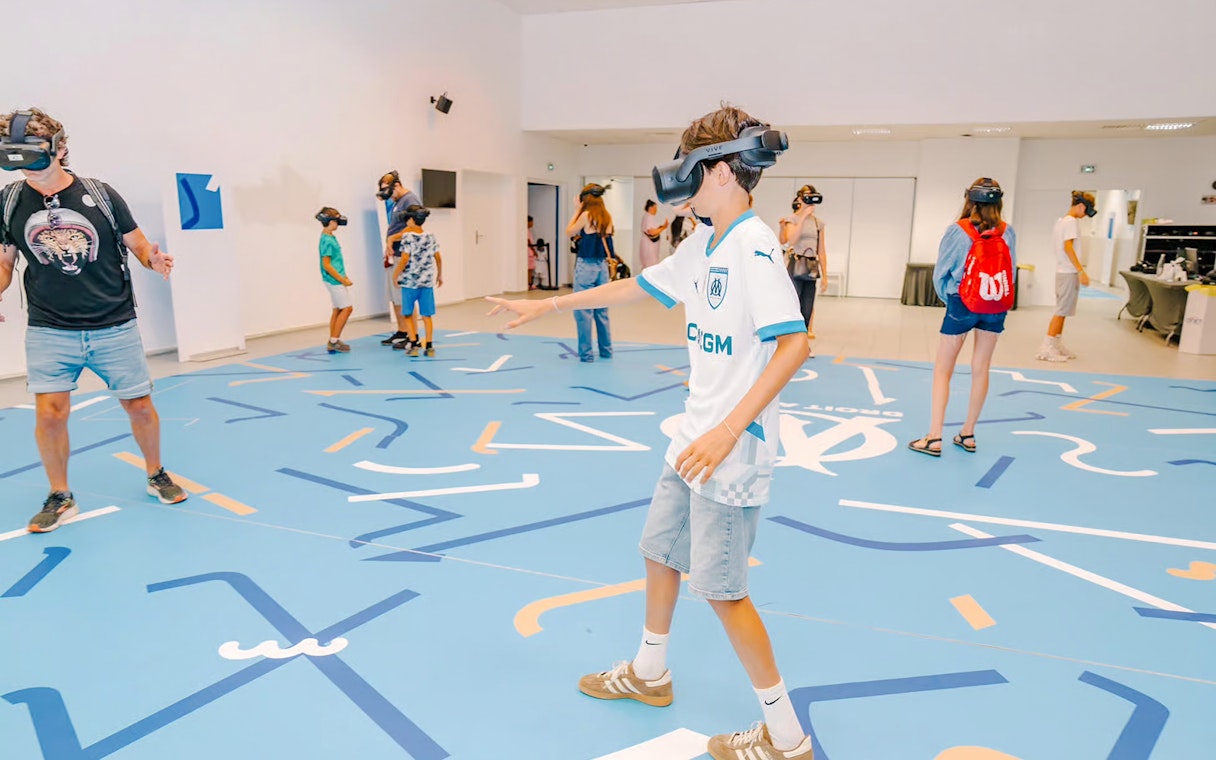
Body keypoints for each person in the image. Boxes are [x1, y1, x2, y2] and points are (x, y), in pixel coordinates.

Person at [487, 105, 813, 760]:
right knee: (660, 550)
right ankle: (650, 671)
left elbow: (795, 346)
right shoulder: (703, 243)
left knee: (724, 593)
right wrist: (546, 304)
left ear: (720, 172)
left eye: (692, 169)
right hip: (690, 437)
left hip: (728, 451)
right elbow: (635, 288)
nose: (683, 183)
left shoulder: (753, 247)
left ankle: (787, 736)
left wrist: (727, 431)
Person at [0, 107, 188, 532]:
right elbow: (5, 263)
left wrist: (152, 259)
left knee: (139, 406)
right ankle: (60, 495)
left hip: (113, 323)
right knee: (49, 413)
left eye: (32, 155)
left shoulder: (100, 193)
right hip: (49, 327)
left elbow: (138, 243)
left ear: (60, 149)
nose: (24, 166)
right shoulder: (9, 201)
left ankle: (156, 472)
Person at [908, 177, 1017, 457]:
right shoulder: (1007, 231)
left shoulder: (959, 230)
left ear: (969, 200)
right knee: (981, 367)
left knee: (944, 369)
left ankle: (934, 438)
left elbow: (941, 272)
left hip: (962, 302)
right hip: (994, 305)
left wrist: (950, 299)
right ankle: (968, 433)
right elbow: (1011, 270)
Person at [1036, 191, 1094, 362]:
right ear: (1082, 206)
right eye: (1086, 211)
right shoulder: (1071, 222)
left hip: (1063, 271)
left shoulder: (1061, 222)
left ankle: (1056, 344)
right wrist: (1080, 270)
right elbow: (1068, 247)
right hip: (1068, 272)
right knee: (1061, 311)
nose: (1085, 216)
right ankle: (1047, 347)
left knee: (1064, 310)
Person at [565, 183, 615, 362]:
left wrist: (577, 210)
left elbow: (569, 231)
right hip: (602, 267)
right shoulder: (606, 216)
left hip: (586, 266)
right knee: (601, 310)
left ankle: (586, 354)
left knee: (583, 310)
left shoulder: (586, 215)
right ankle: (606, 351)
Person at [376, 170, 422, 350]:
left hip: (403, 253)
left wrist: (392, 239)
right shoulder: (396, 202)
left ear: (397, 185)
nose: (387, 195)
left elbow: (415, 228)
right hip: (392, 253)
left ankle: (413, 336)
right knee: (395, 296)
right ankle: (402, 331)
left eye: (388, 190)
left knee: (405, 296)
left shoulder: (411, 200)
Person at [391, 205, 443, 357]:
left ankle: (414, 345)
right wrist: (439, 275)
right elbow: (438, 258)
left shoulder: (407, 237)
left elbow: (405, 258)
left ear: (412, 220)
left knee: (407, 314)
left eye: (407, 219)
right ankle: (429, 346)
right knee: (427, 315)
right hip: (426, 283)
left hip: (409, 282)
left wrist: (396, 275)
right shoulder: (431, 236)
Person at [778, 185, 827, 342]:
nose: (809, 200)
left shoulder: (818, 223)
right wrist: (803, 216)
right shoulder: (791, 220)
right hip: (796, 265)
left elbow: (821, 249)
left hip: (811, 267)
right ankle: (788, 342)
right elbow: (791, 240)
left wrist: (825, 275)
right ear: (799, 199)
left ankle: (802, 343)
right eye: (806, 196)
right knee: (793, 305)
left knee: (807, 306)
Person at [316, 207, 353, 354]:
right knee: (347, 308)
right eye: (337, 221)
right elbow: (326, 264)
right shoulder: (327, 240)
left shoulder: (329, 237)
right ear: (331, 222)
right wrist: (342, 280)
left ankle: (334, 339)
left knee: (338, 309)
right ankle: (333, 341)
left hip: (334, 279)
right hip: (334, 280)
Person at [638, 199, 669, 270]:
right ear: (650, 208)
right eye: (655, 208)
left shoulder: (648, 217)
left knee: (650, 265)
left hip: (650, 244)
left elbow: (654, 229)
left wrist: (662, 227)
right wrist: (663, 228)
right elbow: (651, 232)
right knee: (650, 266)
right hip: (649, 245)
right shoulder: (648, 217)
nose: (656, 210)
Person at [527, 215, 538, 289]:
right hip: (529, 252)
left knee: (531, 269)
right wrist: (534, 251)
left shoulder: (529, 231)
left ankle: (530, 283)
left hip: (530, 252)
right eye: (531, 222)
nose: (532, 223)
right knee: (528, 269)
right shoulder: (526, 231)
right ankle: (528, 283)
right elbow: (528, 241)